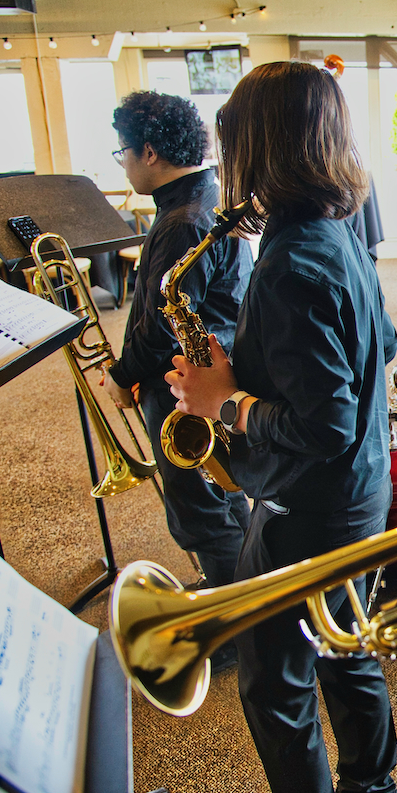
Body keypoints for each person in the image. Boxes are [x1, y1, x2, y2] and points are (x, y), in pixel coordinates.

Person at [164, 61, 397, 793]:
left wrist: (228, 400)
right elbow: (389, 342)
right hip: (363, 492)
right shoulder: (338, 235)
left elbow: (325, 424)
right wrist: (263, 367)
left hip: (309, 510)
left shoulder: (288, 264)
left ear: (260, 148)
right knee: (346, 647)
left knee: (273, 687)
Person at [103, 90, 252, 594]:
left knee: (200, 510)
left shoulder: (183, 220)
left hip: (182, 387)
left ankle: (234, 624)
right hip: (207, 373)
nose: (122, 164)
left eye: (122, 151)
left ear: (149, 152)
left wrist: (123, 376)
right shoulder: (201, 200)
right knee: (223, 493)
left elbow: (162, 325)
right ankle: (245, 593)